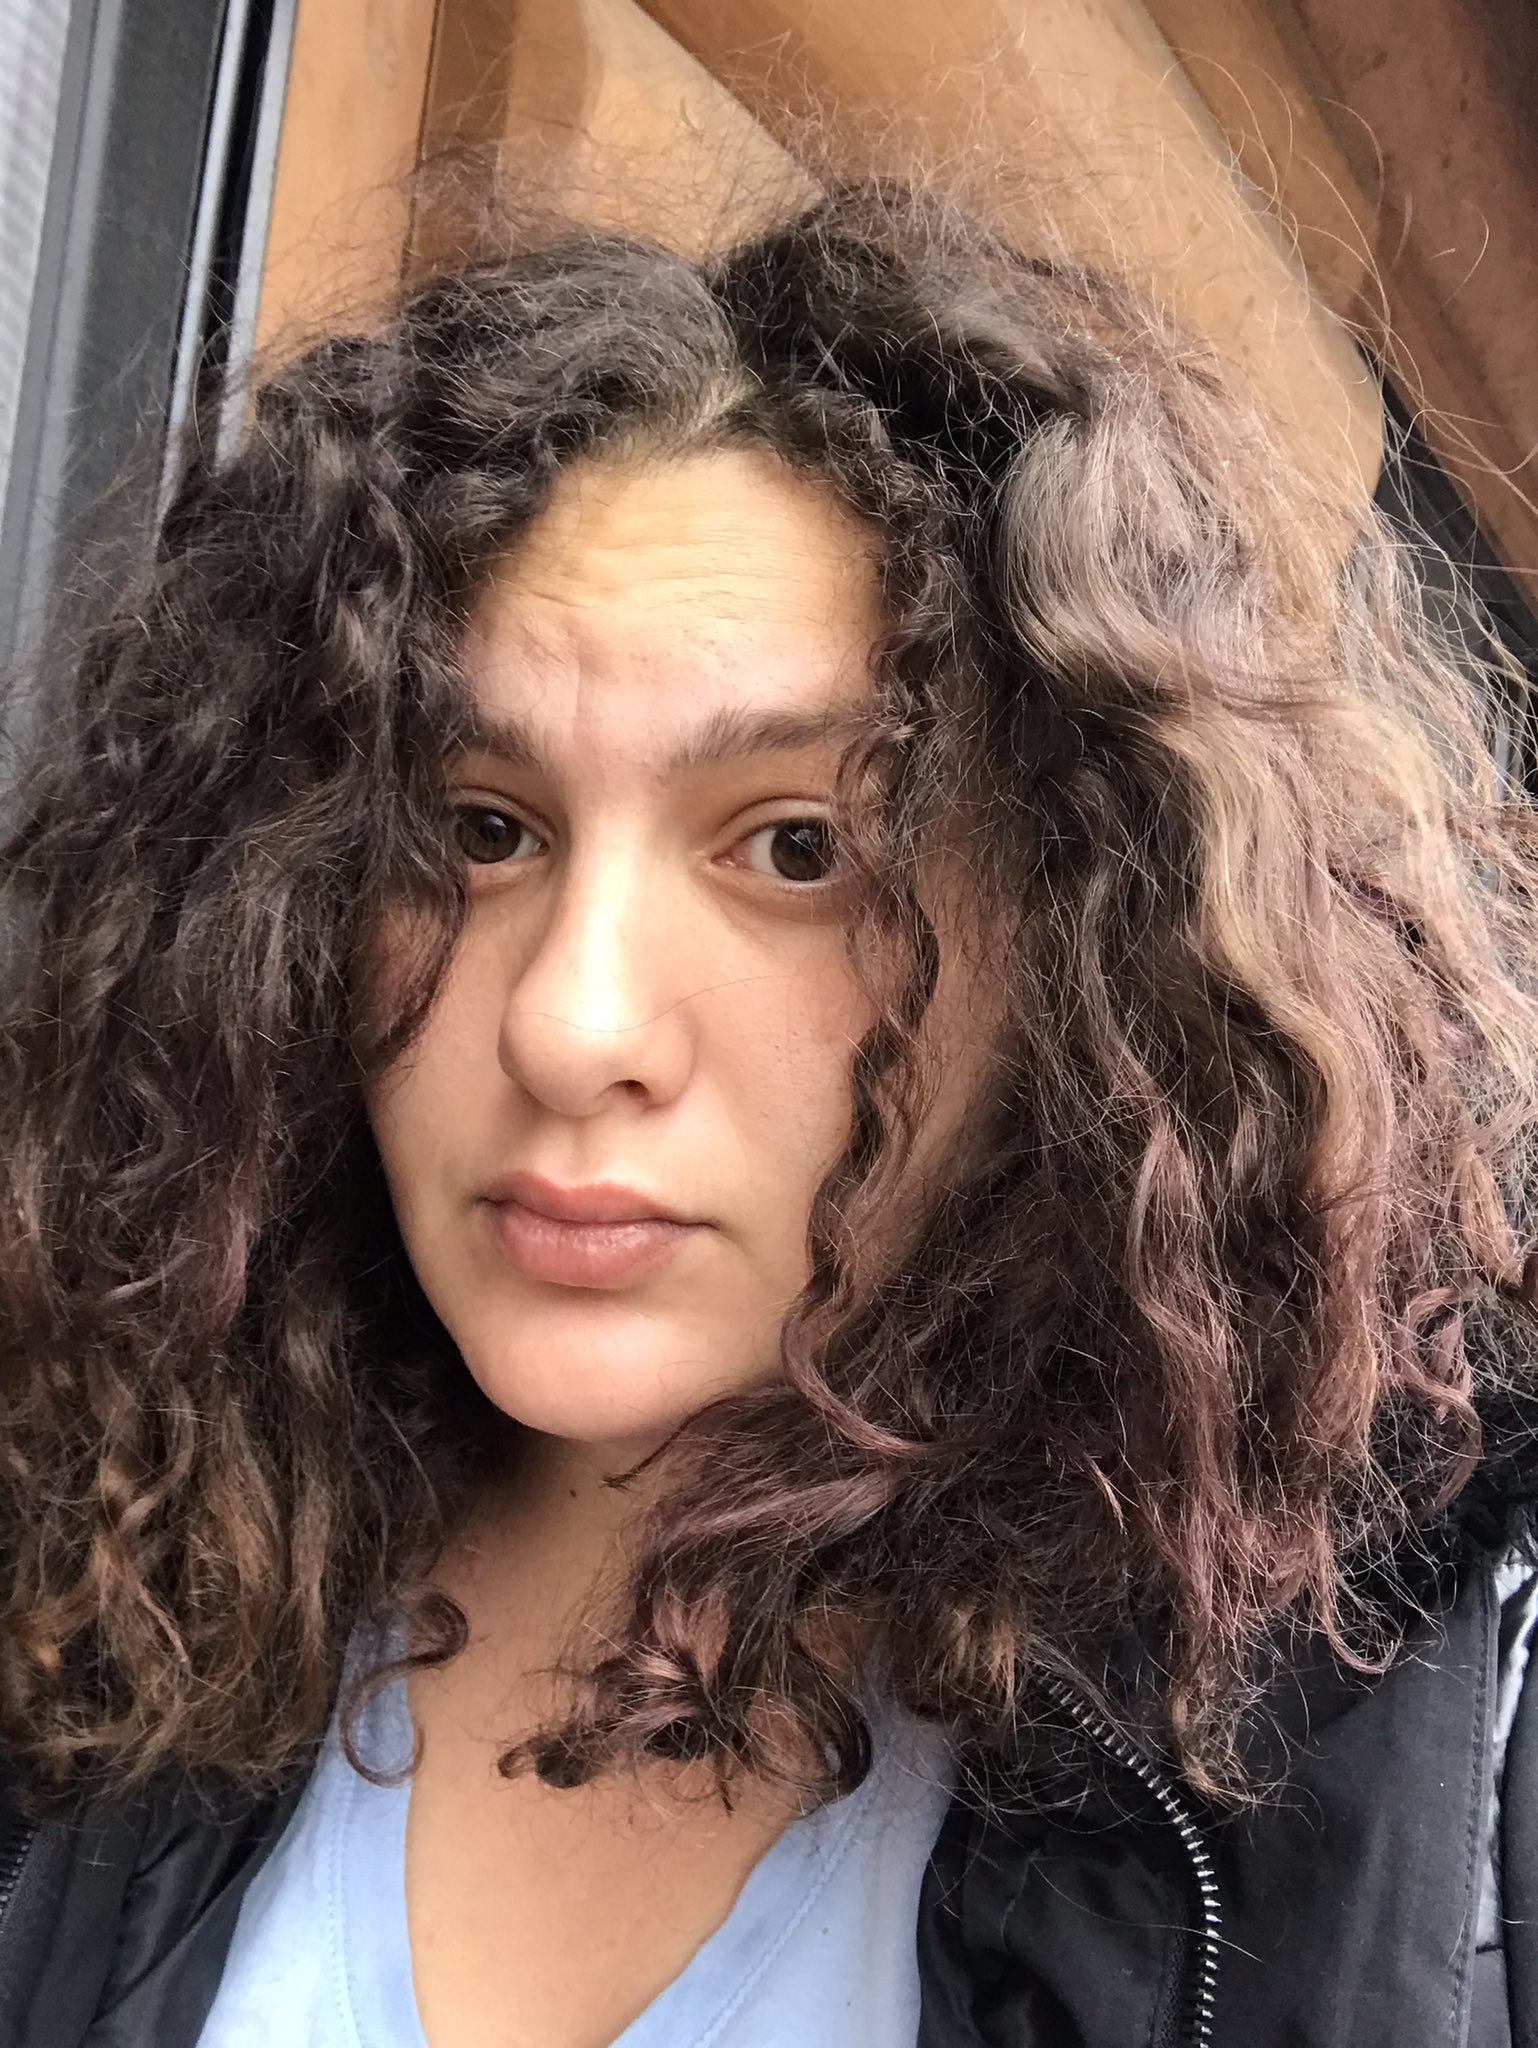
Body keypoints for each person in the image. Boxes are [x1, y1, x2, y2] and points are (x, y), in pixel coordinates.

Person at [0, 176, 1535, 2048]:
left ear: (1081, 942)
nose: (572, 1026)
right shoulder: (90, 1524)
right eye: (478, 829)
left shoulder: (1417, 1758)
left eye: (800, 849)